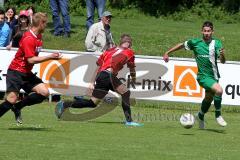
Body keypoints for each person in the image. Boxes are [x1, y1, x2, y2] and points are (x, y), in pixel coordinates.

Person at [56, 34, 142, 126]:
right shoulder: (129, 52)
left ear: (120, 42)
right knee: (126, 93)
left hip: (101, 76)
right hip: (109, 75)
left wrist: (92, 82)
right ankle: (129, 121)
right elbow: (132, 68)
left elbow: (98, 66)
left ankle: (65, 104)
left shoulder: (109, 50)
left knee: (93, 103)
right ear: (130, 43)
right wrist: (134, 79)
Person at [0, 12, 62, 124]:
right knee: (11, 99)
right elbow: (31, 60)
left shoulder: (38, 36)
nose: (46, 26)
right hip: (16, 72)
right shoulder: (29, 38)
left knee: (44, 92)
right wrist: (50, 57)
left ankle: (18, 107)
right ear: (40, 23)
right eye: (45, 23)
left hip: (26, 73)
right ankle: (14, 105)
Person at [163, 21, 227, 129]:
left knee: (208, 98)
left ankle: (200, 115)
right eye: (205, 31)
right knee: (219, 90)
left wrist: (222, 54)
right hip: (202, 77)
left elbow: (223, 61)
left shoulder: (217, 43)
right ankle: (218, 115)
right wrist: (167, 52)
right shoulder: (195, 42)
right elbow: (182, 45)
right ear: (202, 31)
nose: (207, 33)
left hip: (214, 77)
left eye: (209, 31)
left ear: (212, 32)